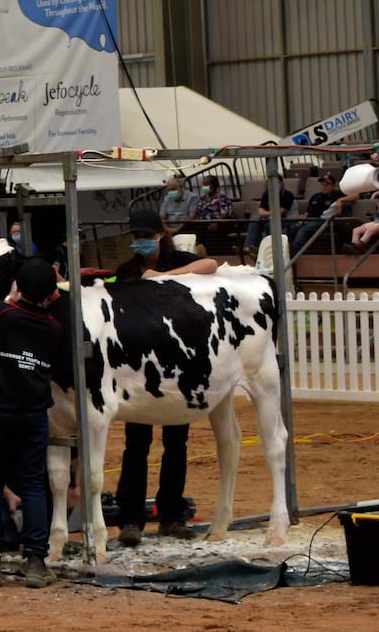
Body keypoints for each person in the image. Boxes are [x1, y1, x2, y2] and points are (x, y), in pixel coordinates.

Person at [112, 208, 216, 546]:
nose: (141, 242)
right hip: (140, 372)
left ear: (160, 234)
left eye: (146, 236)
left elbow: (210, 265)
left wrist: (166, 276)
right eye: (136, 237)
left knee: (176, 443)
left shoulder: (179, 260)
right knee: (136, 445)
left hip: (177, 370)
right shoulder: (126, 271)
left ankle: (171, 515)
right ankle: (131, 519)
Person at [0, 259, 67, 589]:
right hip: (33, 412)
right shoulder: (54, 328)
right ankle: (36, 562)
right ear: (51, 294)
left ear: (18, 287)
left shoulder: (1, 314)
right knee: (33, 484)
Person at [292, 173, 348, 255]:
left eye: (327, 185)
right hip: (309, 219)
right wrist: (304, 216)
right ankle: (290, 252)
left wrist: (340, 200)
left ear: (333, 185)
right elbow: (308, 211)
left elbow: (355, 195)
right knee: (292, 228)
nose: (324, 187)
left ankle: (297, 256)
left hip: (324, 220)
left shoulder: (337, 194)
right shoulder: (315, 196)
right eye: (322, 185)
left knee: (304, 231)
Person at [242, 184, 296, 256]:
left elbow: (281, 211)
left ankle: (269, 249)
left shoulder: (287, 195)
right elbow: (260, 211)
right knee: (255, 219)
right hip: (267, 217)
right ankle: (249, 247)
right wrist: (269, 213)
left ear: (282, 183)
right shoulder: (267, 194)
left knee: (271, 221)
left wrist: (267, 214)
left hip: (283, 220)